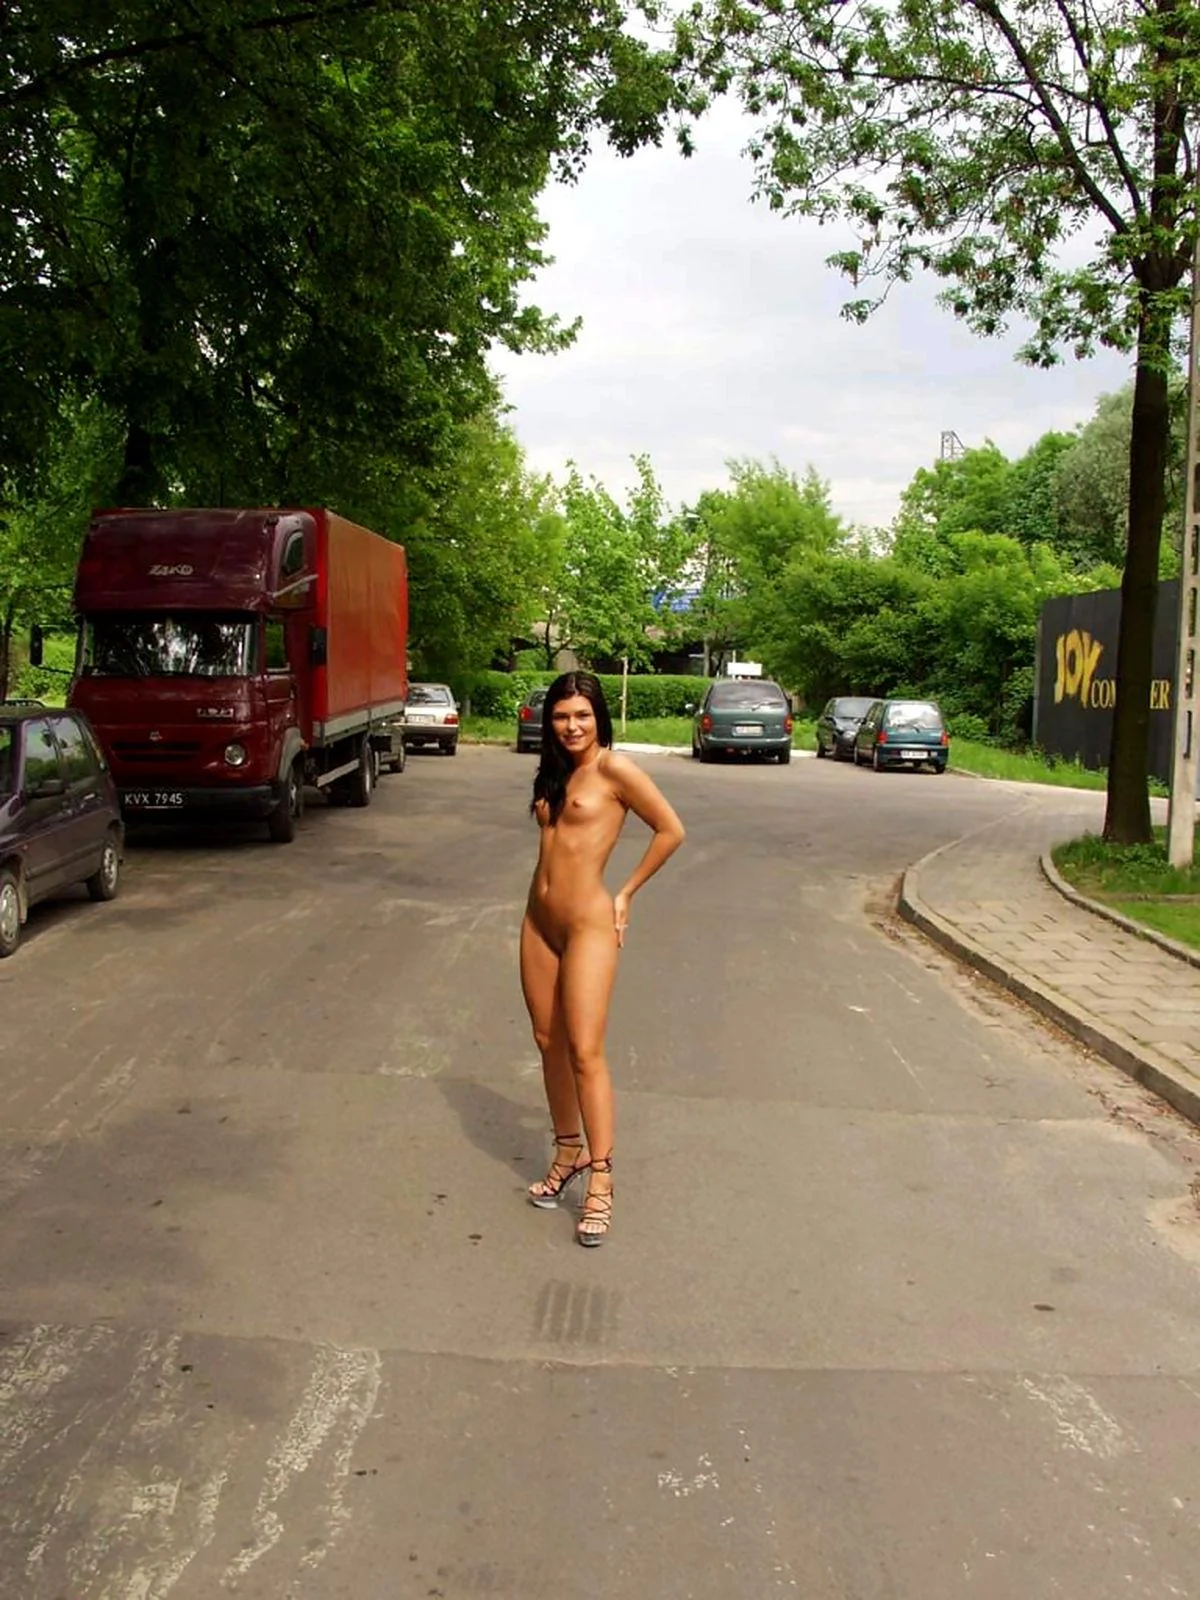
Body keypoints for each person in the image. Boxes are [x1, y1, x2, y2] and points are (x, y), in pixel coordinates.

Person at [520, 670, 685, 1247]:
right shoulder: (555, 771)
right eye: (561, 716)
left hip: (587, 923)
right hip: (538, 921)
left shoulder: (615, 770)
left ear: (599, 718)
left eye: (582, 716)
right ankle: (568, 1151)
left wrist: (626, 892)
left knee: (585, 1051)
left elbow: (670, 830)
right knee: (548, 1040)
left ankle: (602, 1179)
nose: (572, 726)